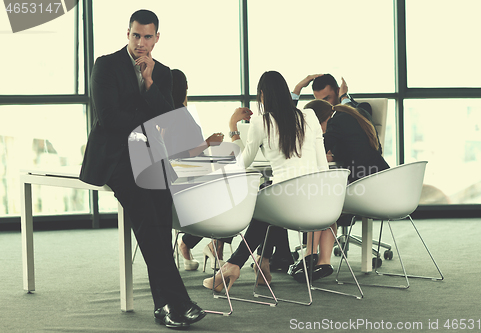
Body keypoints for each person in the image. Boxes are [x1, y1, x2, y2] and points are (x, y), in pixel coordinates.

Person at [79, 10, 205, 329]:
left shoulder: (162, 73)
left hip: (150, 156)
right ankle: (179, 301)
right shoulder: (106, 65)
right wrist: (149, 122)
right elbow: (108, 118)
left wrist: (149, 82)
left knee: (161, 226)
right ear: (128, 34)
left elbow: (168, 116)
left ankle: (165, 307)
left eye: (147, 37)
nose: (141, 42)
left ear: (156, 38)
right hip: (115, 156)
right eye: (136, 35)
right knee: (148, 222)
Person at [202, 70, 328, 292]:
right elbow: (322, 166)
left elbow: (242, 162)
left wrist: (233, 129)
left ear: (262, 95)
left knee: (260, 202)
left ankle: (235, 265)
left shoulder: (261, 121)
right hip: (317, 205)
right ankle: (262, 262)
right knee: (267, 197)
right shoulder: (309, 116)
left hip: (285, 207)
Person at [289, 99, 390, 282]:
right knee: (326, 197)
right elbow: (358, 148)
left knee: (322, 199)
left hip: (367, 185)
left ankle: (310, 254)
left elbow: (316, 152)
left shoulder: (336, 122)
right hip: (381, 180)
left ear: (319, 121)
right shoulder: (353, 115)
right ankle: (323, 262)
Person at [170, 69, 231, 272]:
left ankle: (194, 245)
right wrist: (209, 143)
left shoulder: (170, 113)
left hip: (186, 180)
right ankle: (212, 248)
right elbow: (180, 154)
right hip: (185, 185)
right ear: (186, 87)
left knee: (226, 193)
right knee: (230, 197)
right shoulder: (178, 115)